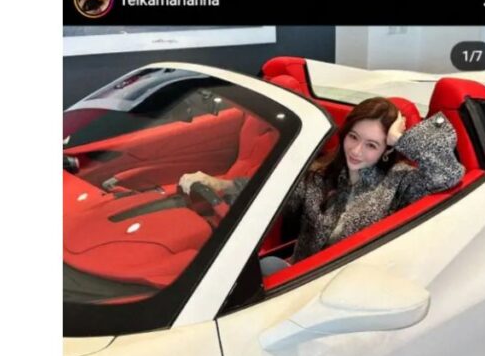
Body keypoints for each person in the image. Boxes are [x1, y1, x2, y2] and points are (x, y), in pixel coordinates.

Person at [178, 97, 464, 272]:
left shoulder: (399, 181)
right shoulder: (320, 173)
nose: (356, 151)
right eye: (353, 137)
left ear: (387, 149)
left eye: (372, 145)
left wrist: (400, 139)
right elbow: (275, 194)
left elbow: (447, 174)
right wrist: (221, 185)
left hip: (352, 287)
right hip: (299, 277)